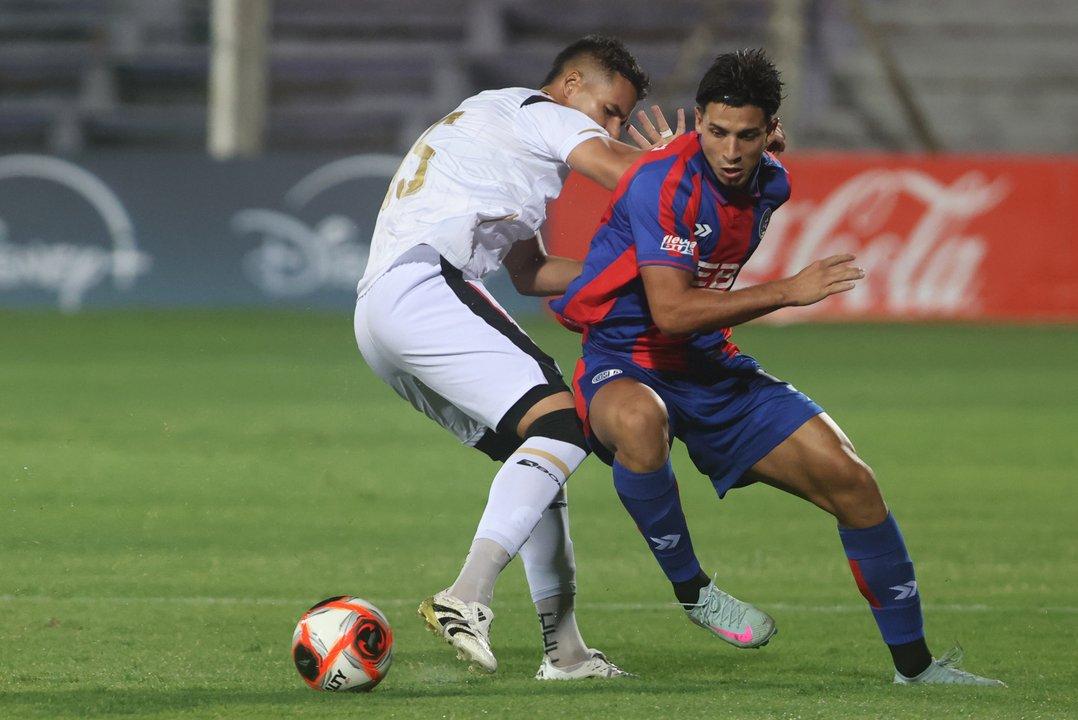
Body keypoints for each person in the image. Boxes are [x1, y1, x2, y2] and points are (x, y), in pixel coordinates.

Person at [550, 48, 1004, 686]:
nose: (730, 151)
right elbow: (673, 312)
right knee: (639, 420)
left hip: (709, 364)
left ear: (771, 133)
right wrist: (788, 291)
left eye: (747, 135)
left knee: (853, 481)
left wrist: (737, 150)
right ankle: (695, 592)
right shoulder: (661, 183)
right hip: (624, 359)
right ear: (699, 121)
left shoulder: (771, 180)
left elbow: (699, 303)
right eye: (715, 132)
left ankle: (917, 669)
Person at [354, 35, 694, 679]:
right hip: (428, 286)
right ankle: (468, 594)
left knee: (538, 454)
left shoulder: (497, 131)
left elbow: (532, 272)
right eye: (610, 109)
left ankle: (564, 653)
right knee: (566, 425)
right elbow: (625, 172)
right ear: (570, 85)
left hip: (381, 314)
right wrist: (681, 162)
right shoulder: (543, 111)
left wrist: (627, 269)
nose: (613, 125)